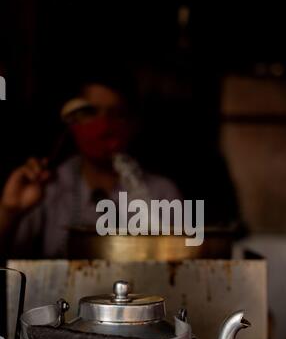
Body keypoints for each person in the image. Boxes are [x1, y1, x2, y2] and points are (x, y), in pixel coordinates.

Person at [0, 75, 181, 258]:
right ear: (72, 121)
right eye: (91, 113)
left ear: (133, 123)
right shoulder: (48, 188)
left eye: (116, 114)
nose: (103, 125)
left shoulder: (161, 193)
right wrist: (9, 211)